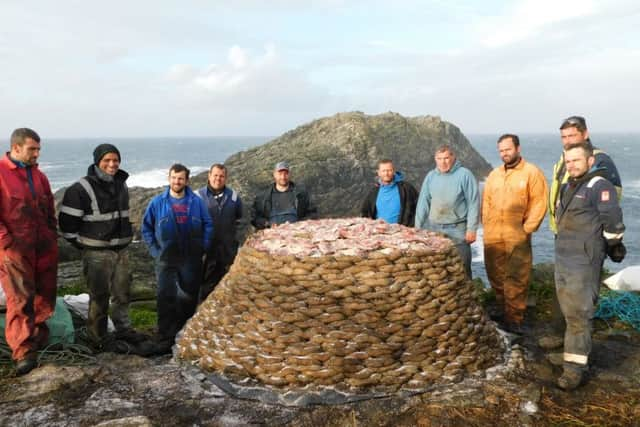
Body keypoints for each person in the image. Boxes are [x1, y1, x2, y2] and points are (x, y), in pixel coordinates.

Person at [59, 144, 146, 351]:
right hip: (97, 253)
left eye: (115, 160)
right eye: (107, 160)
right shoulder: (81, 188)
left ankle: (123, 330)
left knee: (122, 293)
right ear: (97, 161)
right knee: (99, 297)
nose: (112, 164)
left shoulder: (121, 185)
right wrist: (84, 245)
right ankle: (98, 338)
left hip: (121, 250)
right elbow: (67, 224)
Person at [553, 142, 625, 390]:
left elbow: (612, 218)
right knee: (570, 312)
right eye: (568, 161)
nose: (571, 165)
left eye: (577, 160)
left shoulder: (598, 185)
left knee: (579, 315)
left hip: (583, 262)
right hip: (564, 259)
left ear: (590, 161)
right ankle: (573, 353)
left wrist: (615, 244)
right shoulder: (568, 186)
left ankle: (574, 370)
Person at [0, 128, 58, 375]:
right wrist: (6, 243)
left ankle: (40, 342)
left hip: (42, 246)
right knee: (20, 299)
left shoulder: (39, 176)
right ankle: (23, 352)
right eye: (32, 149)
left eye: (38, 149)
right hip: (15, 251)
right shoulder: (1, 175)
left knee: (44, 296)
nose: (37, 153)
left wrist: (52, 236)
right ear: (16, 148)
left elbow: (49, 208)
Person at [142, 164, 213, 353]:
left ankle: (184, 333)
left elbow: (208, 224)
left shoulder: (196, 202)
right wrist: (156, 252)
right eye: (174, 178)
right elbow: (146, 228)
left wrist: (203, 247)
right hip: (166, 257)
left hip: (191, 257)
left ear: (187, 180)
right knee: (165, 296)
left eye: (180, 178)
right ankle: (165, 335)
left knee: (189, 296)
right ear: (169, 178)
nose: (177, 181)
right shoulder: (157, 202)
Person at [482, 134, 548, 333]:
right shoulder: (494, 174)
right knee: (495, 273)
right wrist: (486, 225)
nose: (504, 154)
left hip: (516, 234)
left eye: (508, 149)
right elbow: (486, 201)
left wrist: (527, 229)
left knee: (516, 277)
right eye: (501, 150)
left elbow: (539, 203)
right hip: (493, 233)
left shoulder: (531, 173)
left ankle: (515, 318)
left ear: (518, 148)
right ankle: (504, 310)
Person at [549, 115, 621, 234]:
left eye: (572, 136)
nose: (567, 140)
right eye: (564, 137)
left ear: (585, 134)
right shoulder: (564, 159)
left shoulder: (599, 160)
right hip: (565, 232)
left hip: (586, 235)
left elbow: (611, 197)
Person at [415, 146, 479, 278]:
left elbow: (473, 202)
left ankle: (466, 297)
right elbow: (423, 203)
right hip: (434, 228)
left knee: (462, 267)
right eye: (439, 159)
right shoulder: (431, 176)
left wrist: (471, 229)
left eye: (446, 158)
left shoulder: (464, 174)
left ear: (453, 158)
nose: (443, 162)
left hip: (458, 229)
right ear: (435, 159)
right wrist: (417, 228)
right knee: (438, 268)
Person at [196, 163, 243, 301]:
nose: (218, 178)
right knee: (204, 291)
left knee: (227, 291)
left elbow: (241, 221)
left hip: (227, 254)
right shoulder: (197, 197)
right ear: (209, 176)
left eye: (222, 176)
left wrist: (236, 244)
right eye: (215, 175)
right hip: (205, 254)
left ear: (226, 178)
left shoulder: (234, 197)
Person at [251, 161, 317, 230]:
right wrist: (266, 223)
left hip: (297, 231)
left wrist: (300, 224)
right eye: (280, 174)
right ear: (274, 174)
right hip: (273, 234)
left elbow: (312, 213)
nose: (283, 177)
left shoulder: (301, 194)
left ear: (290, 174)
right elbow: (255, 217)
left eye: (286, 174)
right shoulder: (263, 196)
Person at [361, 159, 418, 226]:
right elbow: (365, 212)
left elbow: (419, 208)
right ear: (378, 173)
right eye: (383, 171)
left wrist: (410, 225)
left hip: (402, 232)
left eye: (389, 170)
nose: (386, 174)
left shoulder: (406, 188)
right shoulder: (373, 192)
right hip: (380, 232)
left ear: (393, 171)